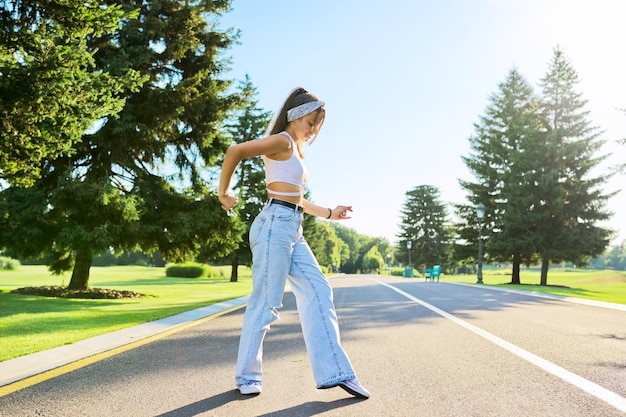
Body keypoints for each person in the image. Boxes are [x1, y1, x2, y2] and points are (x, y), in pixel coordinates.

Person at [218, 87, 370, 399]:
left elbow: (297, 200)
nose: (314, 129)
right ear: (297, 115)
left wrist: (330, 213)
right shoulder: (282, 141)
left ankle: (336, 372)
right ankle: (247, 377)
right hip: (274, 226)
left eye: (318, 125)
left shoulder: (295, 150)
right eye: (311, 122)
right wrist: (224, 194)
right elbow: (234, 151)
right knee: (265, 304)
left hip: (291, 227)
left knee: (318, 289)